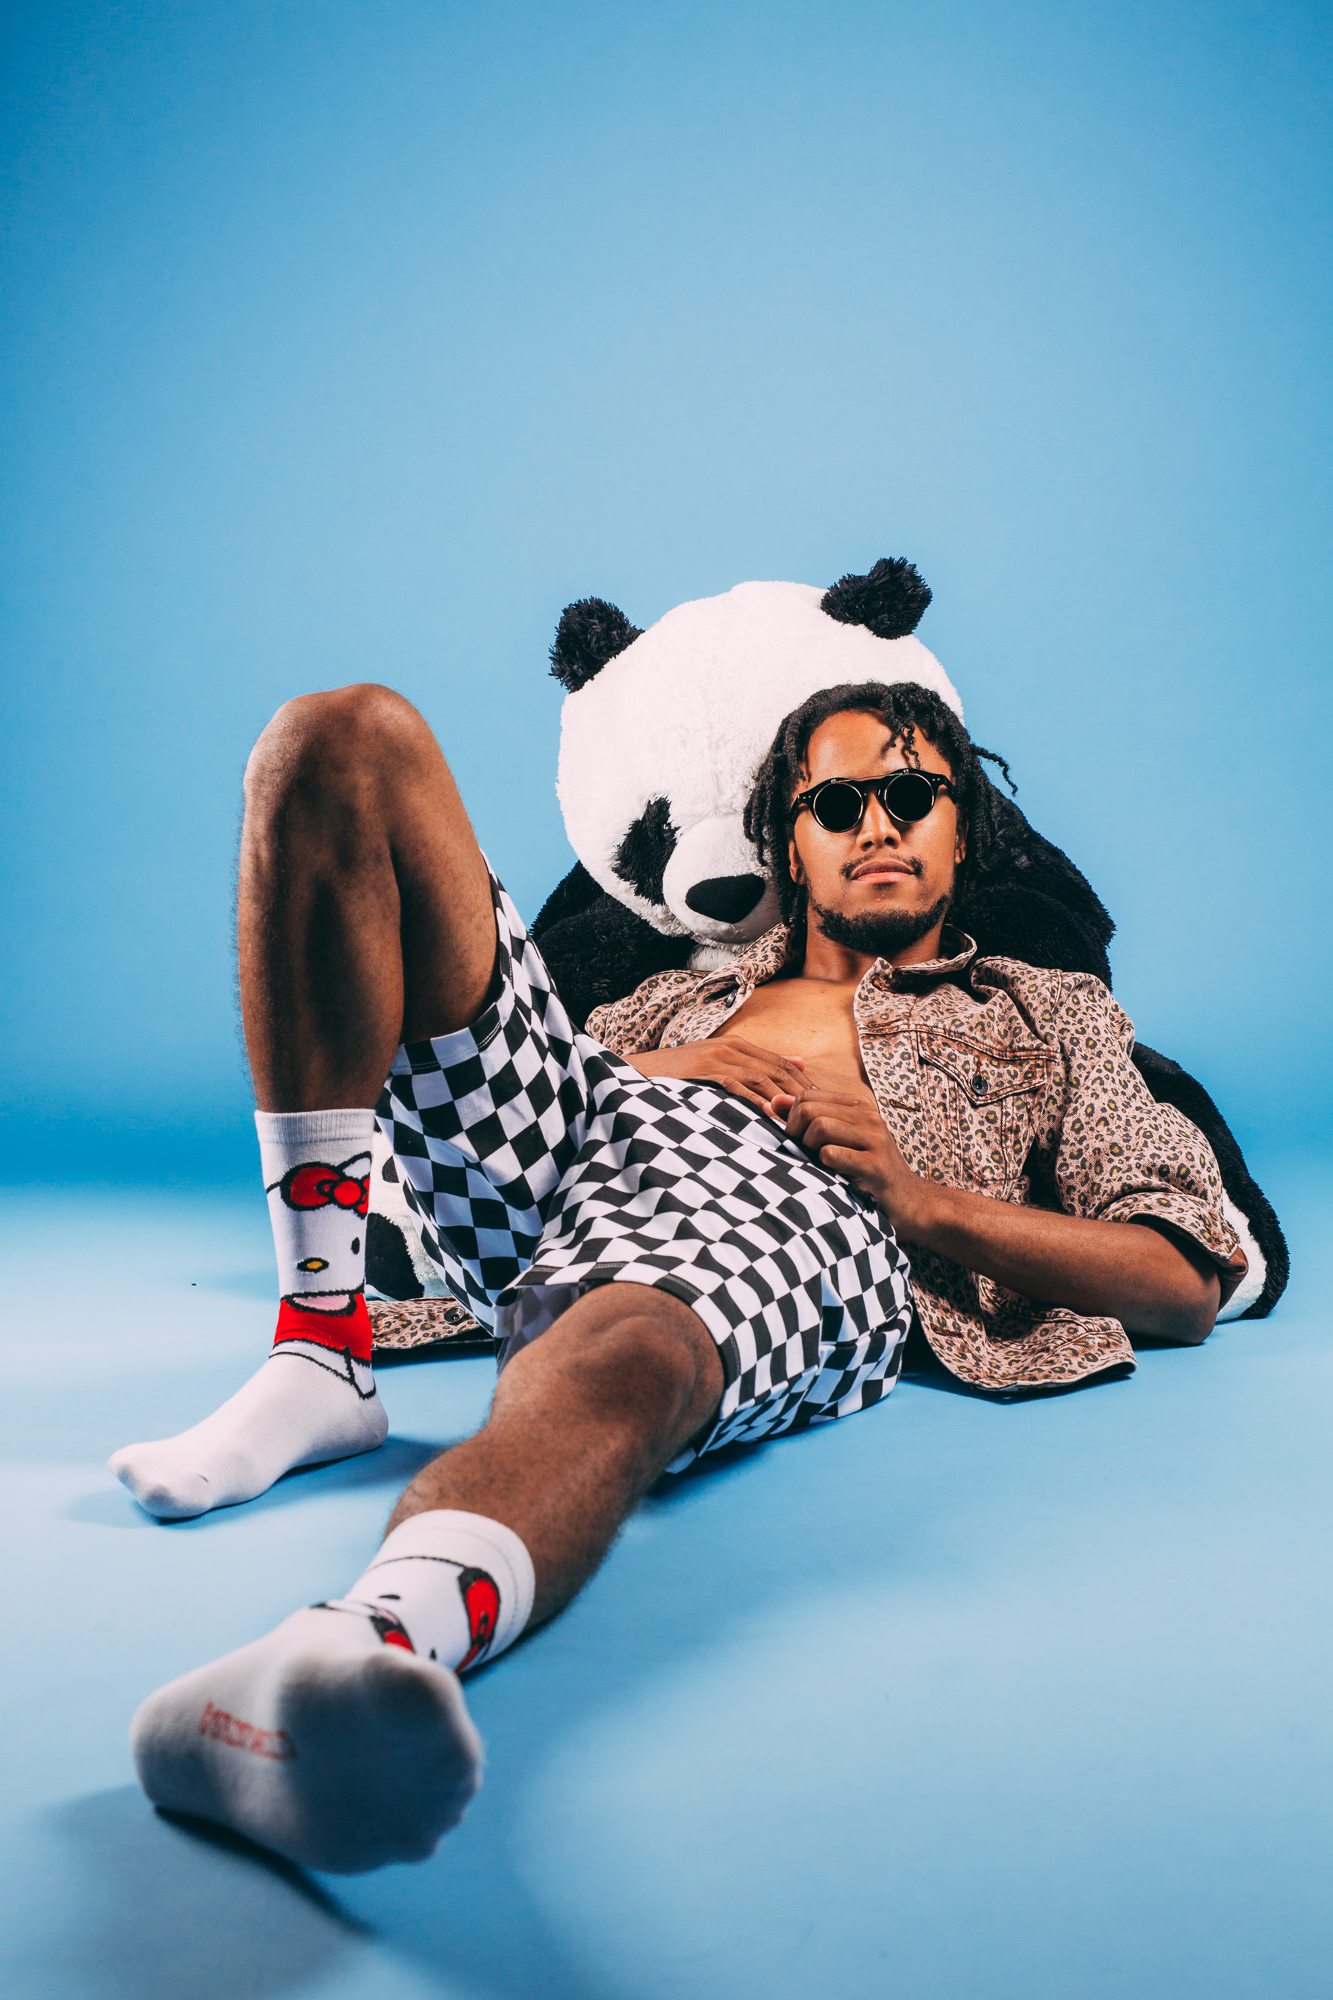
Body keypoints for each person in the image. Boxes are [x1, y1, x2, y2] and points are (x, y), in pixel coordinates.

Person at [117, 677, 1246, 1874]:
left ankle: (362, 1648)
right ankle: (318, 1344)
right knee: (342, 737)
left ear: (962, 827)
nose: (875, 824)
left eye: (911, 794)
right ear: (792, 848)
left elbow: (1185, 1276)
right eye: (836, 803)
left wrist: (922, 1201)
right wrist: (662, 1061)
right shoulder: (678, 991)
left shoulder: (1047, 1010)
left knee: (633, 1341)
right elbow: (461, 1105)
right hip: (585, 1130)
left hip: (802, 1205)